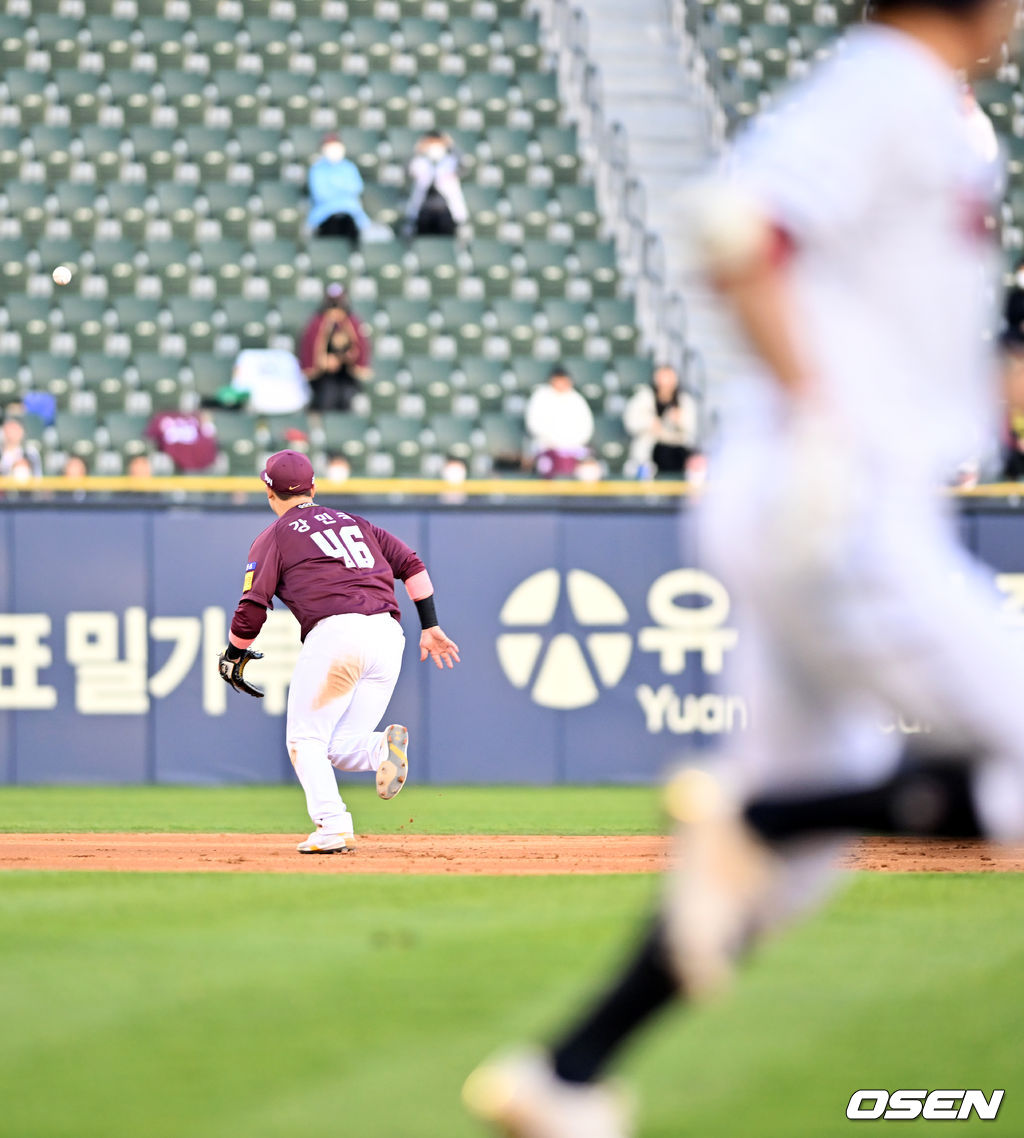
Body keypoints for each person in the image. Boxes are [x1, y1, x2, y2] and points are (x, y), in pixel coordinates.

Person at [463, 0, 1024, 1131]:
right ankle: (756, 819)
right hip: (840, 506)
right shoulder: (890, 85)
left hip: (817, 502)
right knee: (811, 820)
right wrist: (821, 414)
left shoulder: (929, 106)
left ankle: (565, 1072)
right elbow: (736, 225)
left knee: (796, 872)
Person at [218, 450, 460, 854]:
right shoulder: (356, 523)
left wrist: (234, 653)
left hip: (337, 634)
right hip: (387, 634)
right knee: (338, 747)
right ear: (313, 487)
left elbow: (252, 608)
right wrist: (431, 625)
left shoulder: (274, 536)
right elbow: (412, 565)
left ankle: (332, 825)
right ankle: (383, 747)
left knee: (304, 739)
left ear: (269, 492)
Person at [298, 284, 372, 412]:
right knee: (326, 400)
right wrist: (324, 361)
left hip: (345, 376)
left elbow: (360, 347)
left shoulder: (351, 322)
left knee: (346, 400)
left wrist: (344, 358)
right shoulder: (317, 322)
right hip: (323, 377)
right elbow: (309, 346)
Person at [622, 364, 699, 476]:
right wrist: (650, 422)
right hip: (651, 450)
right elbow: (631, 422)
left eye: (669, 378)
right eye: (662, 378)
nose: (665, 383)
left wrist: (680, 420)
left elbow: (691, 430)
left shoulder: (684, 401)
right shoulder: (644, 397)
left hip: (678, 450)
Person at [525, 366, 594, 478]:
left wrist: (570, 443)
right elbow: (534, 424)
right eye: (558, 379)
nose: (561, 383)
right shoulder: (541, 396)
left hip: (573, 447)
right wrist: (554, 441)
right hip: (547, 446)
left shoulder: (576, 399)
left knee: (589, 468)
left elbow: (586, 428)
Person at [307, 133, 370, 243]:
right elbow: (320, 194)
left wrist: (334, 186)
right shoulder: (317, 169)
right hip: (326, 215)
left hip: (351, 214)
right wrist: (342, 188)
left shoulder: (349, 167)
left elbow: (356, 188)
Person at [405, 131, 468, 237]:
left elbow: (465, 166)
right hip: (423, 212)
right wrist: (418, 149)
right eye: (430, 143)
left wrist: (450, 145)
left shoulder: (451, 161)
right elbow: (406, 170)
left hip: (447, 212)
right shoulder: (419, 162)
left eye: (437, 143)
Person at [145, 410, 219, 472]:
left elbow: (210, 435)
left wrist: (206, 423)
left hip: (199, 460)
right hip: (170, 459)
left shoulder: (197, 419)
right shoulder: (162, 419)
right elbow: (150, 436)